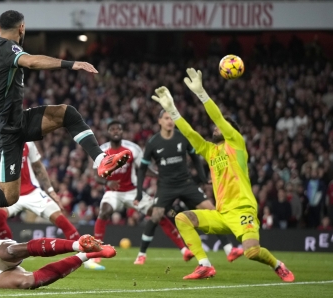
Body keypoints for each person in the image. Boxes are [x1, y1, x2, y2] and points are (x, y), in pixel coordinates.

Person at [0, 10, 131, 213]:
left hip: (18, 121)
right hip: (3, 132)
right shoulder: (9, 48)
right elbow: (31, 61)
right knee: (8, 197)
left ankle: (101, 160)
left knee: (67, 113)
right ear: (22, 28)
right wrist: (71, 64)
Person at [152, 68, 294, 281]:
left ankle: (277, 265)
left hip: (242, 209)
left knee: (252, 252)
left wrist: (202, 94)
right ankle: (204, 265)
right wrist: (172, 110)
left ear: (230, 130)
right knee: (182, 218)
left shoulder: (236, 144)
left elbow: (218, 118)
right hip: (221, 213)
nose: (216, 129)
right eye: (217, 128)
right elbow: (190, 134)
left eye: (221, 128)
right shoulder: (210, 150)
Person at [133, 111, 243, 265]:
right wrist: (139, 193)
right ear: (159, 121)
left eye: (172, 118)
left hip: (186, 183)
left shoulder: (181, 136)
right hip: (166, 186)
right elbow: (142, 169)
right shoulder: (153, 142)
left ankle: (229, 249)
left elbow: (195, 158)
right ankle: (141, 254)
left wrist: (203, 178)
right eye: (166, 118)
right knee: (156, 216)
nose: (170, 121)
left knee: (211, 209)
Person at [0, 142, 104, 270]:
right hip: (8, 193)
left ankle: (85, 256)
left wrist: (50, 191)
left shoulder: (27, 143)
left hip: (33, 193)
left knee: (61, 219)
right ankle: (8, 255)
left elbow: (38, 167)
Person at [92, 121, 156, 267]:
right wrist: (107, 183)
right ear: (108, 132)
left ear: (122, 132)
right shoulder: (101, 150)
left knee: (156, 212)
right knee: (104, 211)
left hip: (132, 190)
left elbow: (143, 168)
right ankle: (96, 251)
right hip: (112, 192)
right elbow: (95, 176)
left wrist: (158, 174)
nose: (116, 131)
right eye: (112, 129)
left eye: (119, 129)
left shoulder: (132, 148)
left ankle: (183, 249)